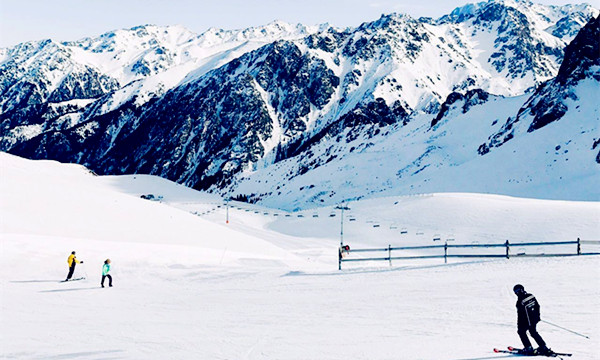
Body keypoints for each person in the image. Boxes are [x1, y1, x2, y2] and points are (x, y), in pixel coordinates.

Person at [513, 284, 551, 355]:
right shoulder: (531, 296)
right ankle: (543, 346)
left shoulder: (520, 302)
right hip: (533, 320)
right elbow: (537, 306)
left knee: (521, 332)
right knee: (533, 332)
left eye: (516, 291)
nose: (516, 293)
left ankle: (528, 348)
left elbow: (520, 315)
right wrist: (537, 316)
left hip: (526, 322)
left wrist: (519, 325)